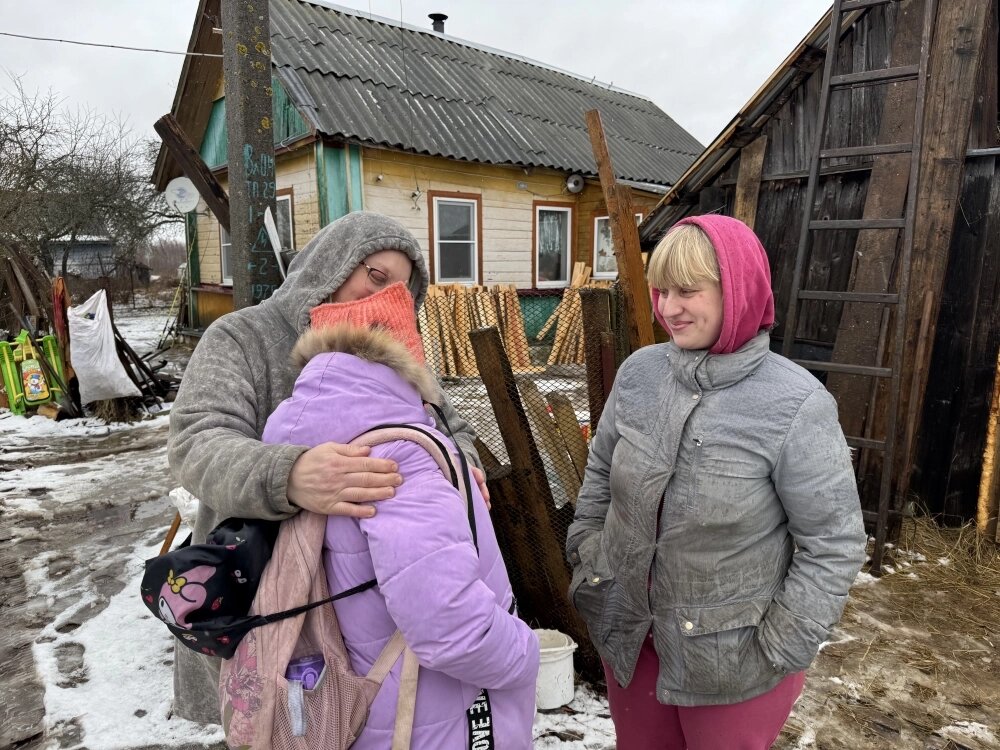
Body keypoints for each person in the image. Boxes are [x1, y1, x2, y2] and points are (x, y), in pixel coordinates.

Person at [167, 211, 487, 724]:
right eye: (374, 275)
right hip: (266, 604)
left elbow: (455, 428)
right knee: (278, 726)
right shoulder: (242, 337)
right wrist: (289, 475)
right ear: (329, 265)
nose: (381, 297)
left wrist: (463, 465)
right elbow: (196, 443)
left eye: (400, 290)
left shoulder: (393, 352)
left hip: (370, 608)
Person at [566, 214, 867, 749]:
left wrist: (782, 642)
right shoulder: (640, 375)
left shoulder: (795, 404)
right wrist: (590, 555)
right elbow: (600, 476)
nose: (668, 308)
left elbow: (834, 543)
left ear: (738, 291)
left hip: (735, 661)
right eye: (661, 291)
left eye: (687, 290)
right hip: (632, 638)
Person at [259, 285, 538, 747]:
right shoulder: (398, 457)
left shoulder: (309, 443)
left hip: (367, 700)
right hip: (441, 714)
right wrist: (522, 652)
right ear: (405, 357)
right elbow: (451, 627)